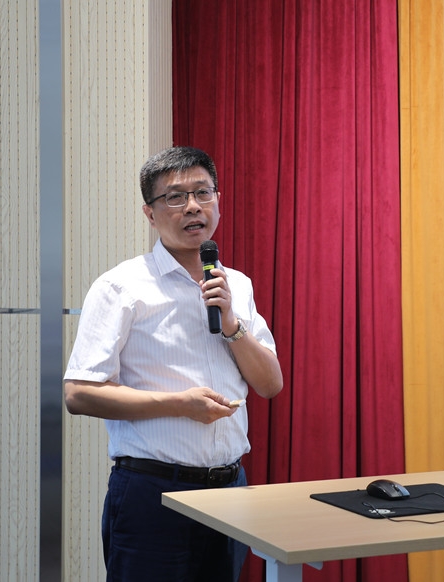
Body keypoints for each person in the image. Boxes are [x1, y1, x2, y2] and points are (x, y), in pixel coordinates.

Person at [63, 146, 283, 581]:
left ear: (218, 201)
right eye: (176, 197)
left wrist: (231, 323)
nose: (193, 207)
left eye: (203, 193)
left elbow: (270, 384)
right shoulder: (121, 286)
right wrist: (180, 404)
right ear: (150, 213)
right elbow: (79, 394)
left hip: (230, 490)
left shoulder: (236, 285)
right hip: (153, 492)